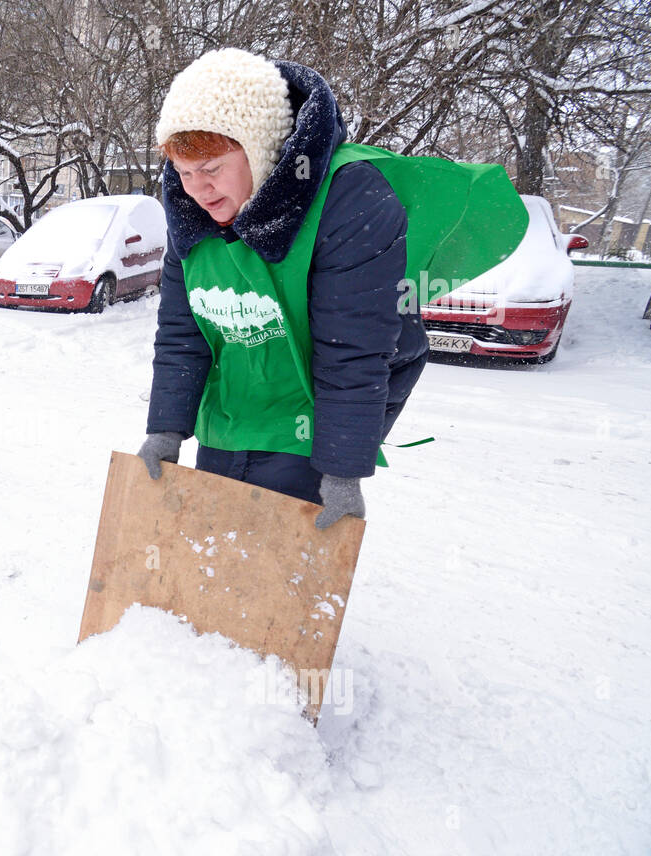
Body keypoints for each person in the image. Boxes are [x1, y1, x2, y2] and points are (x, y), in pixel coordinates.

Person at [137, 49, 524, 528]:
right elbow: (182, 333)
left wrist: (340, 471)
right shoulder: (189, 208)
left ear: (257, 147)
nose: (197, 188)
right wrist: (166, 429)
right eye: (184, 171)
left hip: (312, 423)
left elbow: (353, 348)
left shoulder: (350, 198)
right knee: (217, 552)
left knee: (281, 569)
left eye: (212, 168)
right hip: (232, 416)